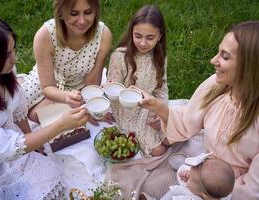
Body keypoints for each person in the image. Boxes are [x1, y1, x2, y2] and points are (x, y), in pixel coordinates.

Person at [106, 21, 259, 200]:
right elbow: (188, 121)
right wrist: (155, 105)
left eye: (225, 57)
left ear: (250, 67)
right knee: (150, 183)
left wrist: (217, 193)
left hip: (229, 189)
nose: (213, 61)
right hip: (202, 164)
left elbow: (253, 188)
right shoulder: (216, 85)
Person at [0, 13, 89, 199]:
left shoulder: (1, 68)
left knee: (50, 173)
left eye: (13, 50)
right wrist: (61, 125)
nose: (15, 60)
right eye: (6, 55)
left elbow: (18, 105)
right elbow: (3, 148)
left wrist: (31, 141)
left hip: (6, 140)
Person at [20, 0, 112, 122]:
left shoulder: (104, 35)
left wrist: (91, 106)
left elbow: (92, 83)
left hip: (77, 90)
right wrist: (66, 97)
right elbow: (47, 87)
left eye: (88, 12)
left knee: (45, 117)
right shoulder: (45, 35)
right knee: (19, 112)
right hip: (45, 84)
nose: (82, 21)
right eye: (74, 13)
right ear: (61, 13)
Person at [107, 5, 168, 156]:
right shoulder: (120, 56)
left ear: (159, 36)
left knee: (173, 138)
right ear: (131, 33)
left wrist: (160, 111)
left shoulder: (160, 57)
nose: (142, 43)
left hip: (150, 105)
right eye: (138, 36)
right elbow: (112, 90)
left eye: (150, 38)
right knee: (159, 150)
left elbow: (161, 88)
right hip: (127, 109)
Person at [154, 156, 234, 200]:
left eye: (191, 179)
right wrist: (187, 174)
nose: (188, 175)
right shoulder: (218, 190)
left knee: (172, 192)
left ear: (204, 195)